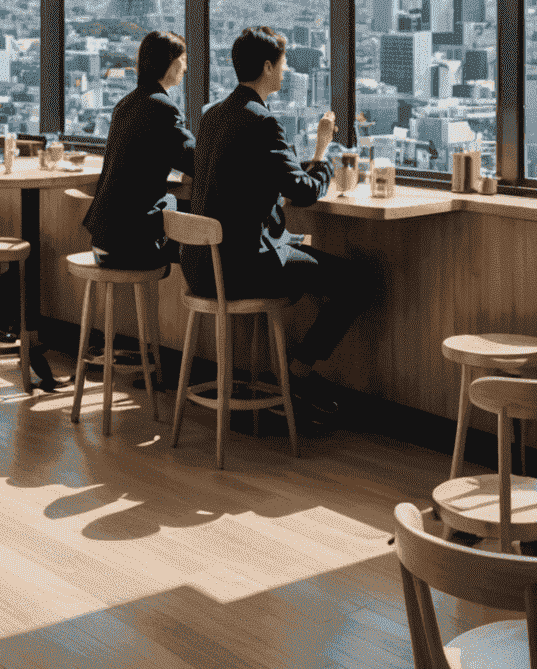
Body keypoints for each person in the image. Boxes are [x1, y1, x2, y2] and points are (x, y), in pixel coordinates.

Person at [183, 25, 371, 421]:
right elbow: (303, 192)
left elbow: (241, 178)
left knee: (306, 260)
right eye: (283, 65)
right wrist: (321, 155)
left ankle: (285, 379)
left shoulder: (212, 116)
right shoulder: (262, 122)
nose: (285, 72)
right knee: (354, 281)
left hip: (201, 268)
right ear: (268, 67)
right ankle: (298, 374)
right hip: (243, 272)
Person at [83, 30, 193, 271]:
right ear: (171, 63)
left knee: (175, 206)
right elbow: (195, 161)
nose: (185, 69)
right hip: (131, 246)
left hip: (102, 241)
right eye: (183, 61)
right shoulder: (162, 107)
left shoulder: (125, 104)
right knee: (205, 233)